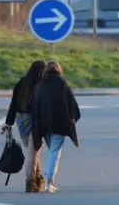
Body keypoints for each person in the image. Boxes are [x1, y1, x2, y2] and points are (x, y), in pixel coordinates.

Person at [32, 60, 81, 193]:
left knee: (52, 151)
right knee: (55, 152)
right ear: (58, 70)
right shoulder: (62, 84)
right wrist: (72, 119)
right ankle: (49, 182)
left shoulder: (40, 85)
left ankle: (50, 180)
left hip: (44, 124)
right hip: (60, 124)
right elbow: (72, 105)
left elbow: (35, 105)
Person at [2, 60, 46, 193]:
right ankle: (30, 183)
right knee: (33, 153)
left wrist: (8, 123)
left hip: (21, 122)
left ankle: (38, 179)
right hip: (37, 123)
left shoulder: (21, 84)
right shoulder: (41, 86)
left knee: (33, 152)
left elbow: (13, 105)